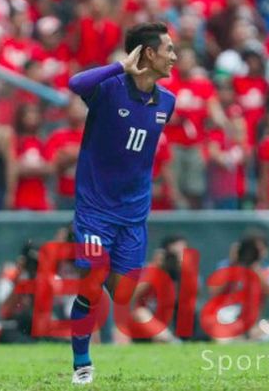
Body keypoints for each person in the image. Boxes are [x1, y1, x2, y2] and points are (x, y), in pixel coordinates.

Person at [66, 22, 177, 385]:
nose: (174, 57)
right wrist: (119, 66)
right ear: (148, 53)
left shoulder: (168, 102)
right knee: (93, 279)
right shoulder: (110, 87)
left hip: (133, 214)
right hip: (96, 210)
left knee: (123, 293)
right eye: (169, 49)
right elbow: (75, 84)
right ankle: (82, 364)